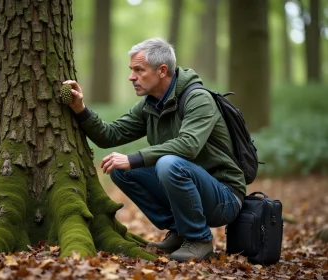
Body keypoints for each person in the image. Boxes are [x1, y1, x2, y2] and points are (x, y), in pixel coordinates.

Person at [63, 37, 245, 262]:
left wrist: (135, 158)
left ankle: (199, 239)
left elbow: (188, 145)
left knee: (168, 163)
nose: (132, 77)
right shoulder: (150, 104)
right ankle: (180, 232)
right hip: (190, 185)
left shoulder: (198, 99)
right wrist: (80, 109)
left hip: (224, 196)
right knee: (120, 169)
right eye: (131, 70)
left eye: (139, 70)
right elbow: (110, 135)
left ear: (162, 70)